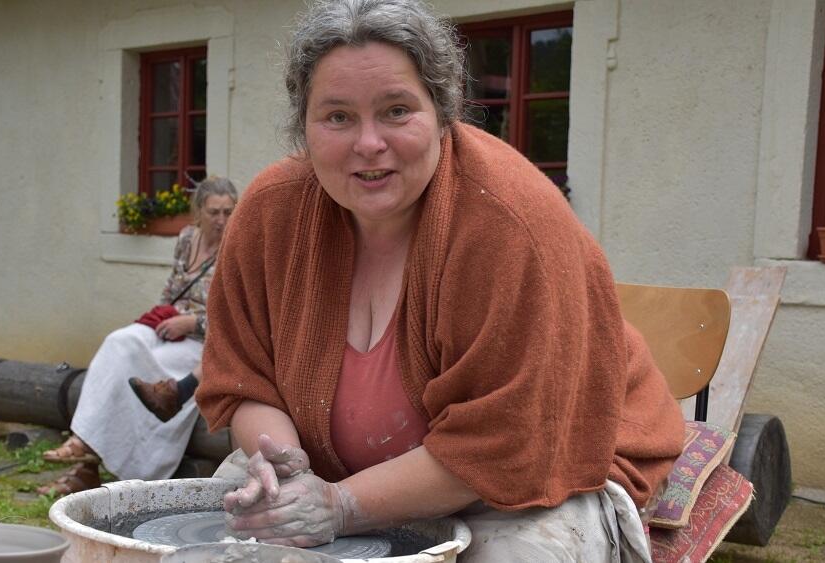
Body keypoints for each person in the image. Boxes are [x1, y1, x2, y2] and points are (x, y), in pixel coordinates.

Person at [195, 1, 684, 560]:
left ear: (443, 110)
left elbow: (509, 441)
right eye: (337, 117)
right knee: (220, 539)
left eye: (397, 111)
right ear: (303, 125)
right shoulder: (270, 212)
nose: (368, 143)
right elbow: (245, 379)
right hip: (325, 466)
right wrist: (286, 468)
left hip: (534, 471)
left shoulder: (511, 224)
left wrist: (339, 506)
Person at [37, 176, 238, 496]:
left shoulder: (237, 248)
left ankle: (88, 464)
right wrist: (162, 317)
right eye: (214, 212)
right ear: (199, 212)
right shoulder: (187, 238)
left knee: (139, 370)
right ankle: (82, 441)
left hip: (203, 340)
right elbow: (171, 287)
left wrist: (192, 323)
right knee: (121, 342)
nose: (221, 220)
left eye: (228, 212)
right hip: (171, 325)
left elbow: (234, 314)